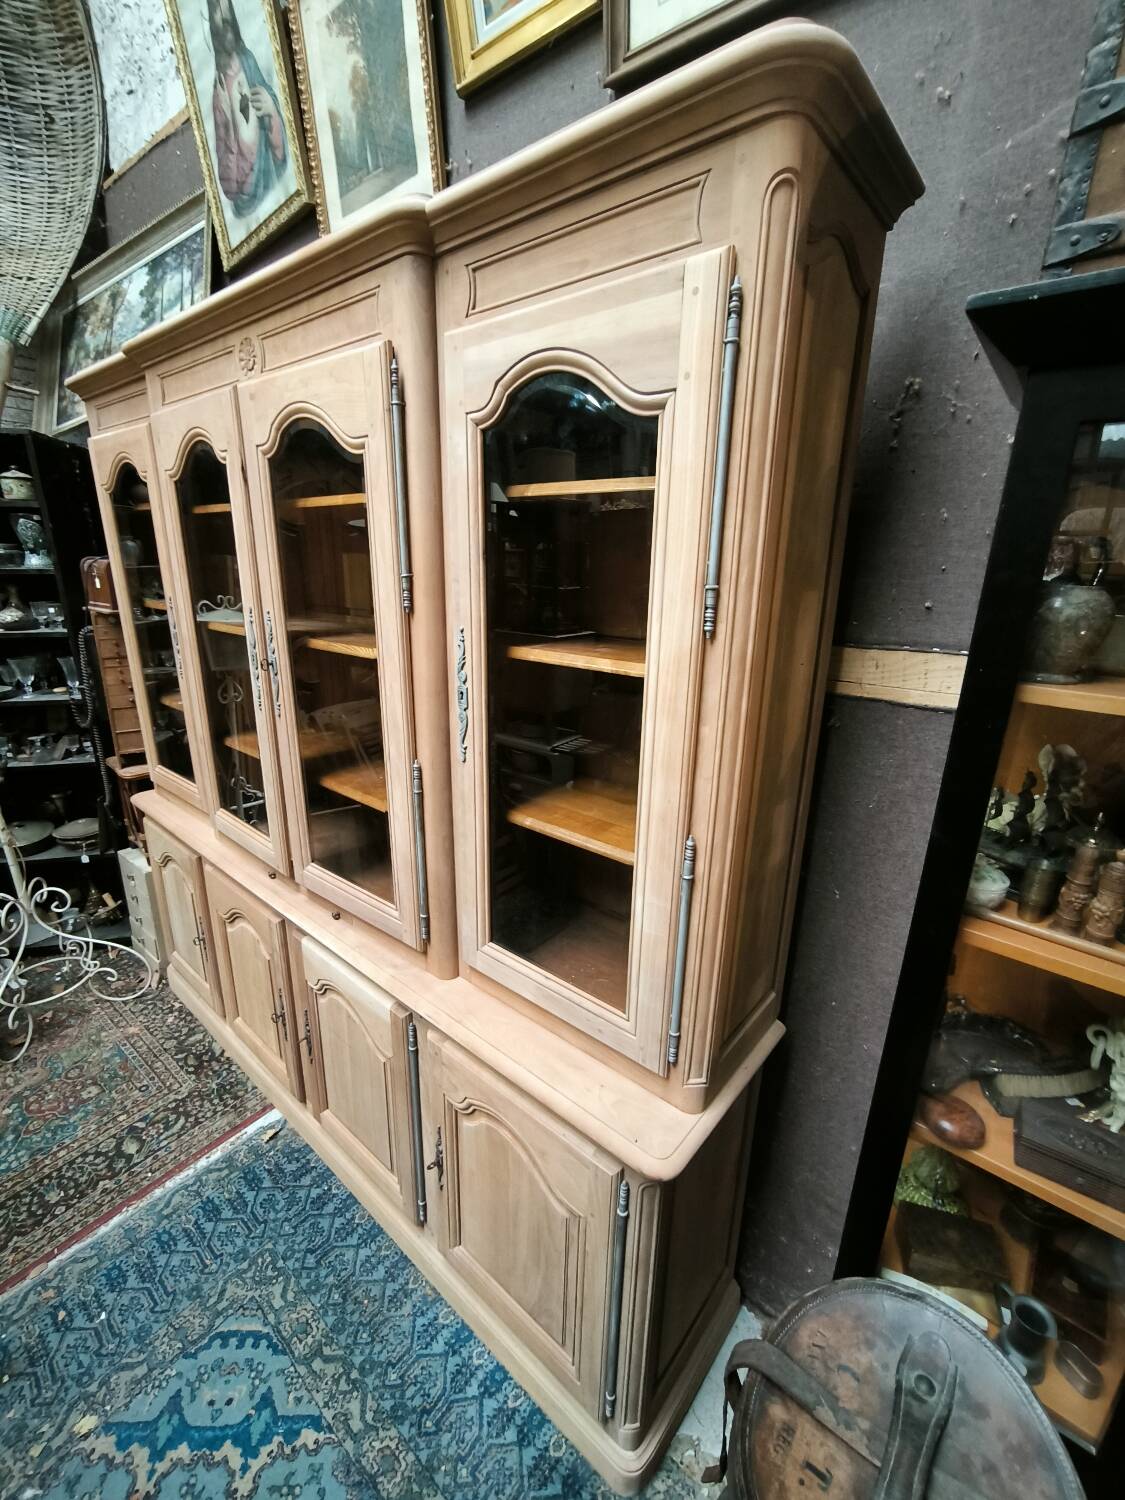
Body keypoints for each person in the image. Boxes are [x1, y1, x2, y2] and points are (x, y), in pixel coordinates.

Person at [208, 0, 288, 218]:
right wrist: (228, 122)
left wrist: (271, 108)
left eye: (227, 12)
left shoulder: (248, 61)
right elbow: (228, 183)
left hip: (268, 172)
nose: (225, 21)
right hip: (245, 196)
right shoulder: (219, 90)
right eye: (218, 13)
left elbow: (273, 103)